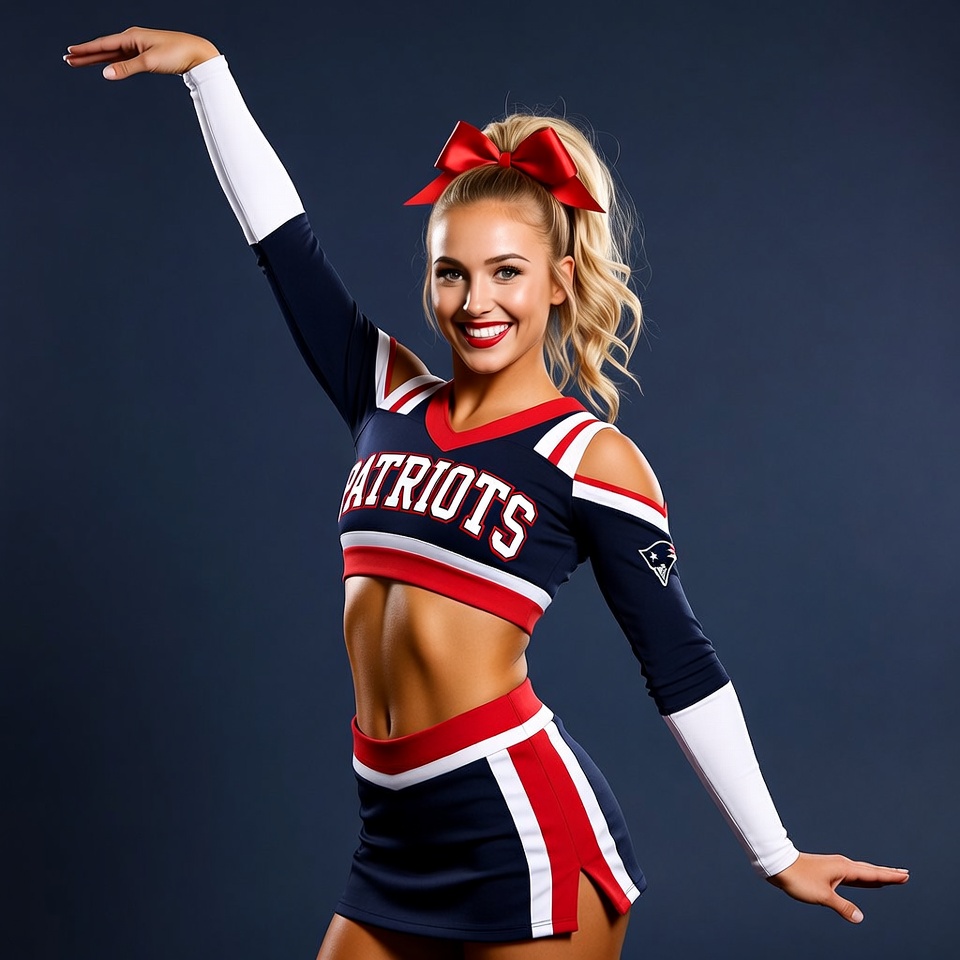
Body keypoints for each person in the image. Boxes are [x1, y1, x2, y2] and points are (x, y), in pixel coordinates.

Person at [63, 26, 909, 960]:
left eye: (507, 272)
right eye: (452, 273)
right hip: (391, 832)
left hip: (521, 831)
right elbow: (284, 246)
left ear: (561, 280)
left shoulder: (589, 458)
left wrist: (775, 852)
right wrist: (209, 75)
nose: (477, 302)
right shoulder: (385, 394)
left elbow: (680, 661)